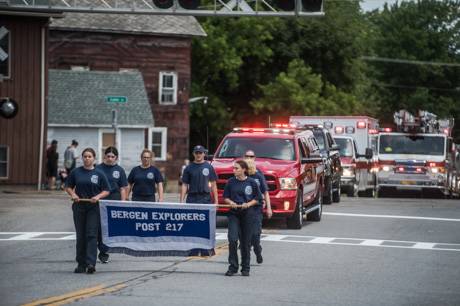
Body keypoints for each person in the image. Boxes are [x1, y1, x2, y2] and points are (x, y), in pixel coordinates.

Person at [65, 148, 110, 274]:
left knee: (91, 235)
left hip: (93, 207)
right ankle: (81, 263)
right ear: (82, 158)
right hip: (79, 206)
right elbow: (67, 186)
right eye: (85, 156)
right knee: (81, 236)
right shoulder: (76, 172)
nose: (87, 158)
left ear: (94, 158)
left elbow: (106, 190)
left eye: (89, 156)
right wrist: (73, 194)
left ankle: (91, 263)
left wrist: (98, 196)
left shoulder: (99, 173)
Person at [223, 160, 262, 277]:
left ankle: (245, 268)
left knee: (245, 243)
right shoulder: (230, 182)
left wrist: (248, 204)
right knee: (233, 239)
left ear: (243, 170)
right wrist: (231, 202)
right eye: (233, 168)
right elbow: (225, 197)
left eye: (236, 168)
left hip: (247, 214)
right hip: (234, 214)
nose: (234, 170)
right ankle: (233, 267)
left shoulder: (252, 182)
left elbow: (258, 198)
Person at [95, 146, 128, 263]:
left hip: (114, 200)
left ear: (116, 158)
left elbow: (123, 188)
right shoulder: (98, 169)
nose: (110, 159)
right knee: (98, 227)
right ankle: (96, 249)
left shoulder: (119, 170)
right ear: (105, 156)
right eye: (108, 156)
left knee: (108, 228)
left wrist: (123, 202)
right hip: (100, 200)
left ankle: (104, 252)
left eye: (112, 157)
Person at [244, 150, 272, 264]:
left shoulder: (258, 175)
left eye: (251, 157)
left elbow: (265, 192)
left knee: (255, 235)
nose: (249, 159)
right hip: (244, 210)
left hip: (256, 209)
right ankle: (246, 257)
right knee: (245, 236)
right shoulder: (240, 175)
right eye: (247, 157)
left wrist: (269, 208)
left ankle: (257, 250)